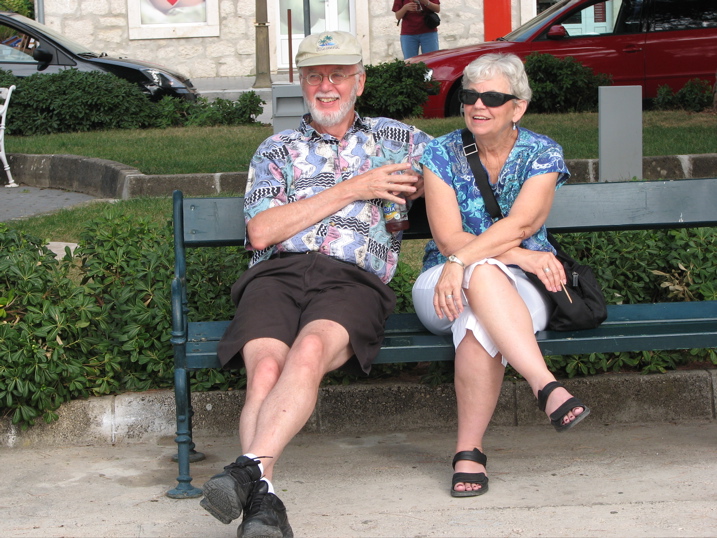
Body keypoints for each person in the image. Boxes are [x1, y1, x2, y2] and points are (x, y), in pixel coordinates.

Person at [200, 31, 432, 537]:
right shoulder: (276, 149)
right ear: (300, 83)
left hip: (352, 282)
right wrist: (358, 187)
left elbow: (464, 168)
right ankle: (265, 504)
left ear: (360, 82)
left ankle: (247, 472)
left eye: (338, 75)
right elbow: (262, 230)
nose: (326, 86)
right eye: (314, 76)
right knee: (264, 369)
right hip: (276, 274)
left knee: (306, 352)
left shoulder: (402, 141)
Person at [412, 53, 591, 498]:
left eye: (493, 98)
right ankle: (545, 386)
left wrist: (472, 261)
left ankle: (468, 453)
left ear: (518, 106)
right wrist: (516, 257)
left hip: (521, 289)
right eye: (471, 96)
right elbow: (449, 236)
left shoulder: (542, 152)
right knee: (482, 275)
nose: (478, 106)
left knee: (479, 313)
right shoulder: (439, 152)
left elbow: (523, 223)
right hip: (442, 286)